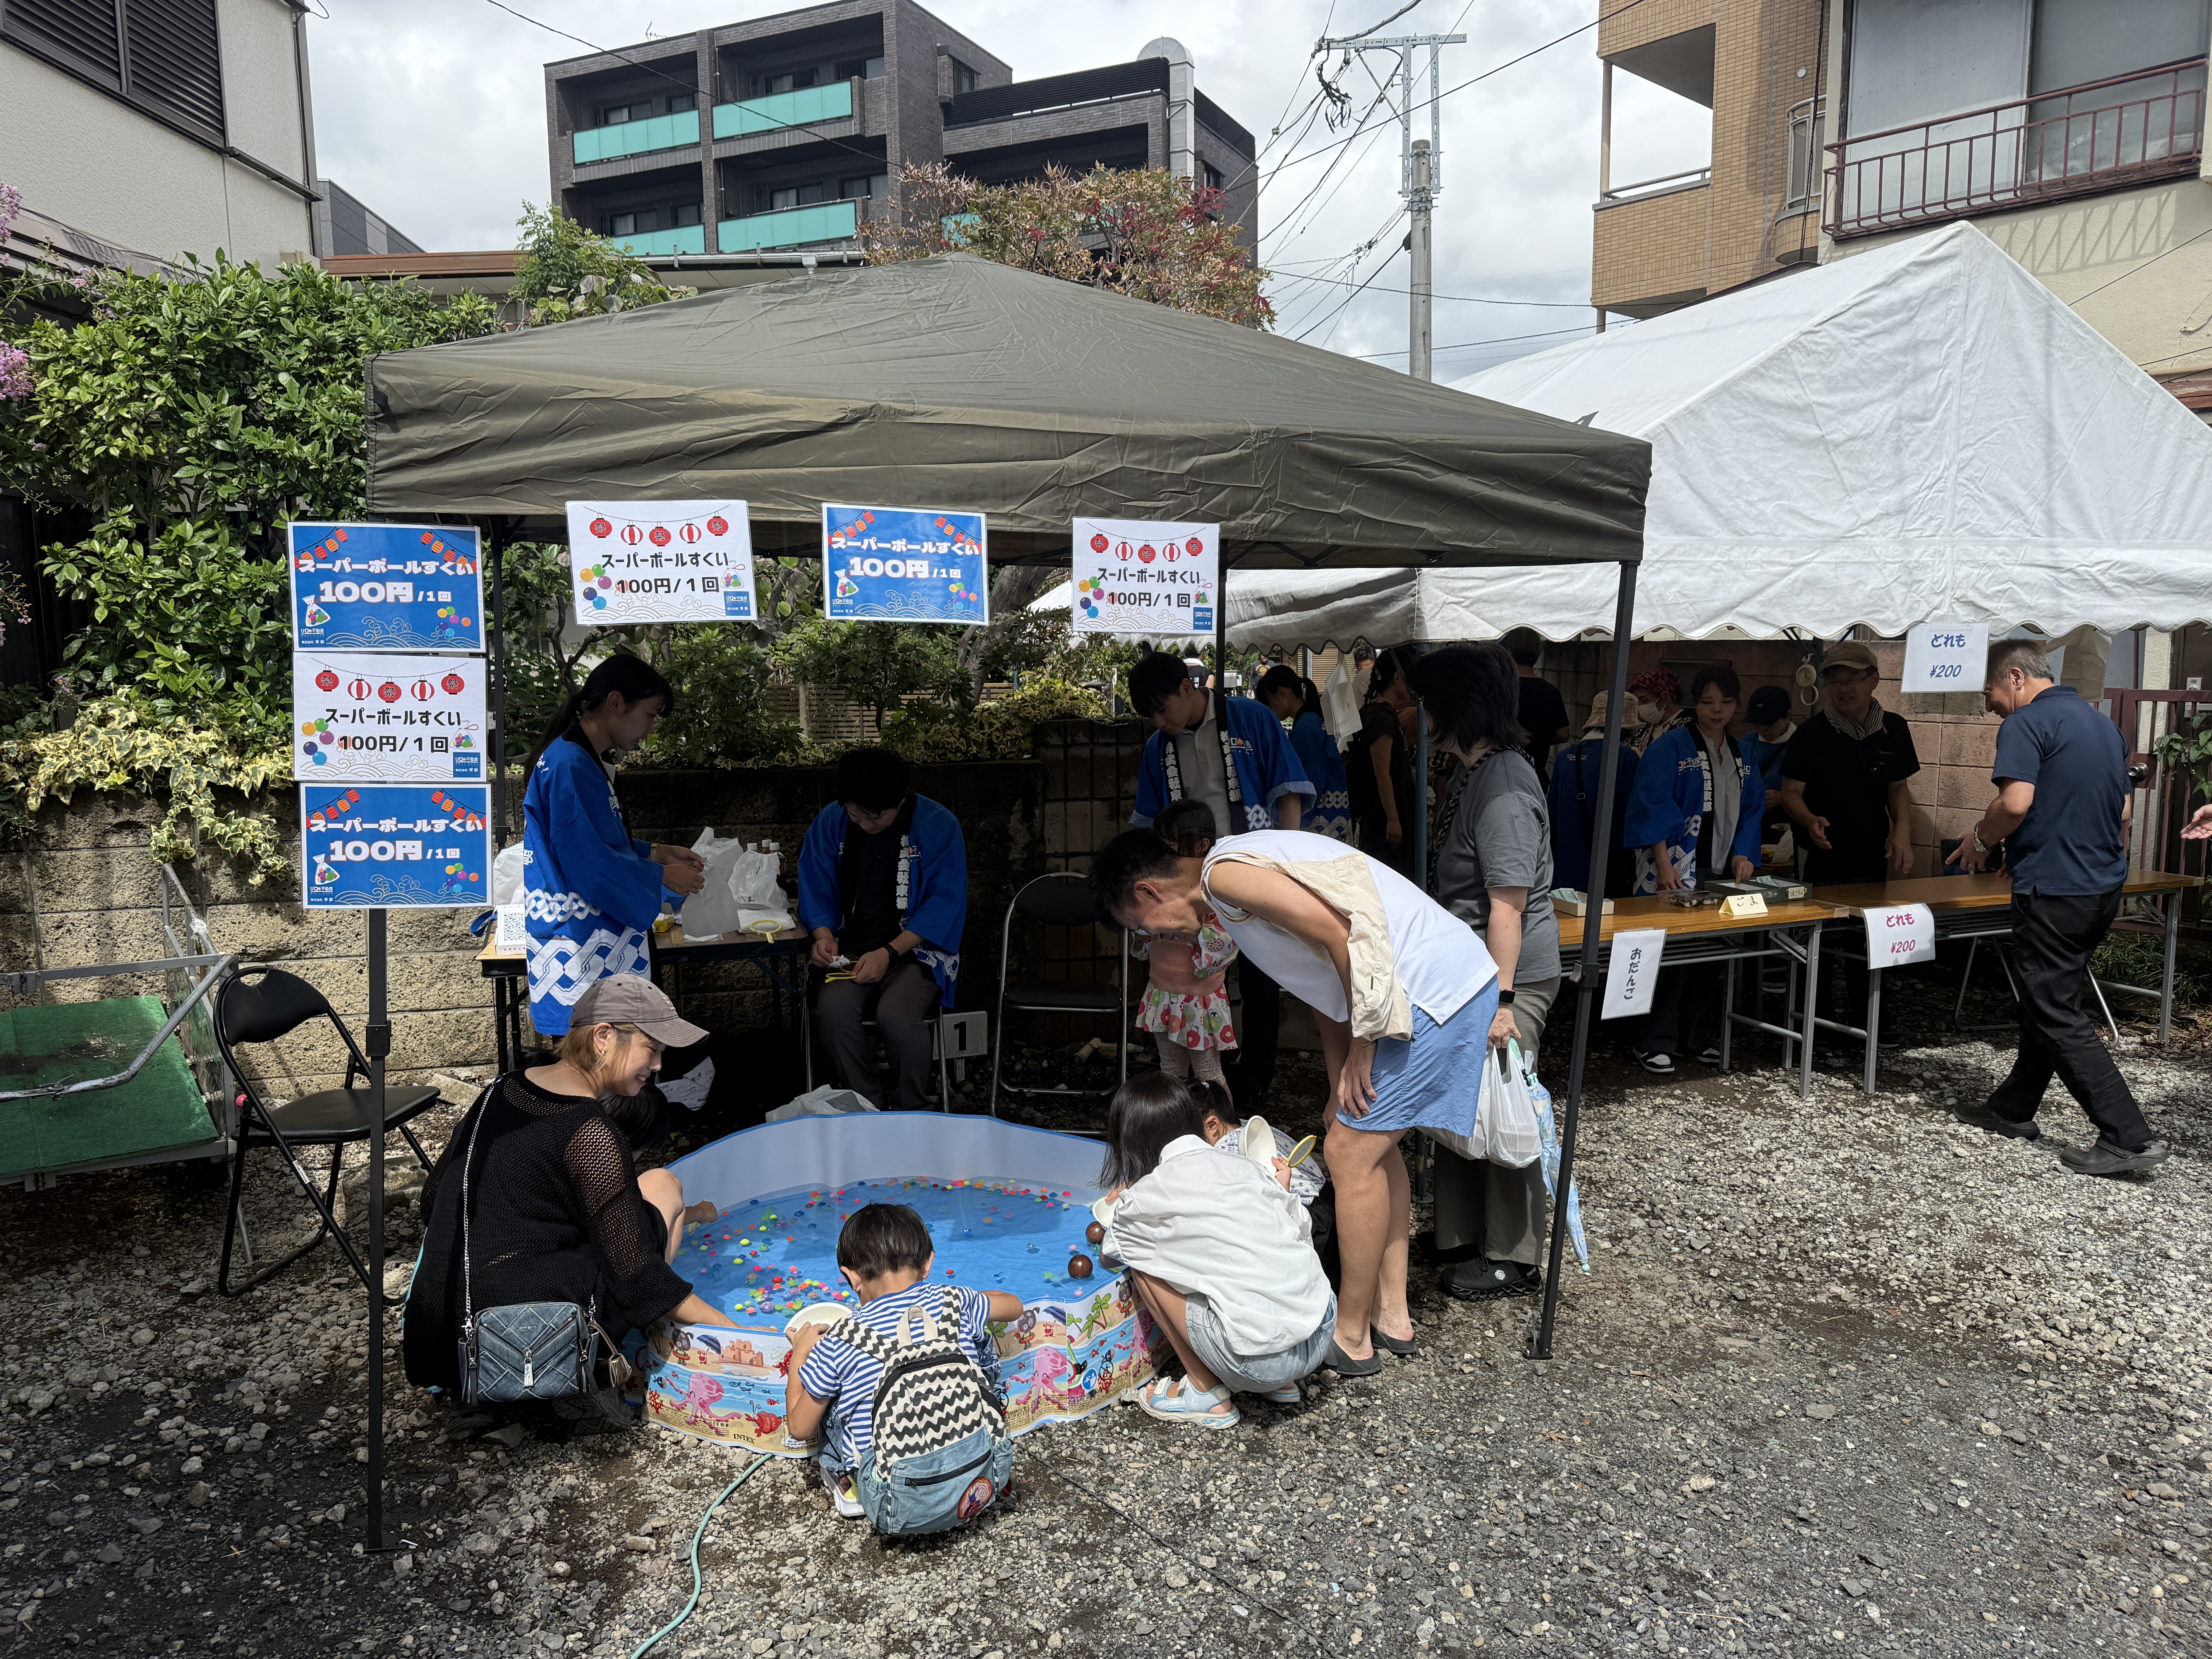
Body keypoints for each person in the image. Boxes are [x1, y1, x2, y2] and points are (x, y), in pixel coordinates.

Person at [1089, 823, 1500, 1377]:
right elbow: (1326, 985)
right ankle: (1391, 1314)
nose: (1152, 937)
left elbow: (1343, 932)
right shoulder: (1230, 887)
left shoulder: (1226, 875)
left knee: (1349, 1154)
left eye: (1141, 928)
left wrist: (1366, 1040)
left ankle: (1351, 1337)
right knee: (1369, 1145)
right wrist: (1340, 1082)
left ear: (1148, 891)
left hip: (1426, 989)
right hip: (1432, 982)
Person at [403, 977, 736, 1406]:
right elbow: (642, 1282)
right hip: (540, 1347)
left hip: (444, 1338)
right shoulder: (591, 1132)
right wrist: (738, 1333)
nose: (657, 1067)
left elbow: (433, 1202)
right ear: (603, 1038)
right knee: (661, 1185)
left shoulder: (497, 1092)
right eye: (652, 1050)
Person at [1949, 641, 2167, 1176]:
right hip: (2101, 887)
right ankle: (2013, 1107)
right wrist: (2038, 844)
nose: (1989, 706)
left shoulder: (2025, 725)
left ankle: (2129, 1137)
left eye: (1991, 693)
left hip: (2055, 891)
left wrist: (1980, 837)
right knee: (2050, 997)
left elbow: (2016, 803)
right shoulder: (2101, 726)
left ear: (2016, 678)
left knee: (2053, 1008)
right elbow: (2120, 807)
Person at [1406, 643, 1559, 1300]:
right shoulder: (1477, 769)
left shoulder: (1502, 786)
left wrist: (1502, 1001)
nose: (1420, 715)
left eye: (1428, 704)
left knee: (1505, 1100)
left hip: (1507, 972)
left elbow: (1507, 903)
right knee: (1462, 1101)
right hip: (1471, 971)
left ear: (1455, 708)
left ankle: (1514, 1254)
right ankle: (1461, 1233)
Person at [1128, 650, 1312, 1114]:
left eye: (1162, 708)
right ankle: (1204, 1082)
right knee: (1196, 982)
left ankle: (1255, 1081)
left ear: (1188, 688)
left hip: (1255, 870)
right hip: (1190, 883)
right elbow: (1149, 823)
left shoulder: (1251, 719)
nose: (1158, 721)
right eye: (1149, 715)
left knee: (1261, 979)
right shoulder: (1158, 747)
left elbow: (1288, 791)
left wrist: (1289, 862)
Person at [1099, 1073, 1336, 1429]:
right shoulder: (1247, 1166)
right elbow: (1297, 1225)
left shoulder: (1147, 1195)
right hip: (1320, 1331)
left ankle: (1204, 1393)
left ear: (1132, 1144)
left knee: (1143, 1265)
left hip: (1258, 1364)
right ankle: (1282, 1386)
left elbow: (1111, 1252)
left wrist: (1121, 1208)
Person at [783, 1203, 1022, 1522]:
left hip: (891, 1500)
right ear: (928, 1264)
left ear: (851, 1276)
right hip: (980, 1472)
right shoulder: (956, 1301)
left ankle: (849, 1486)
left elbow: (799, 1429)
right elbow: (1014, 1306)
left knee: (827, 1392)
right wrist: (964, 1296)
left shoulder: (840, 1338)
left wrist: (801, 1353)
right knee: (980, 1346)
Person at [520, 655, 706, 1038]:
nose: (651, 729)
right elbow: (589, 862)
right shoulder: (570, 763)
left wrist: (654, 852)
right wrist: (661, 876)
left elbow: (596, 841)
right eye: (651, 715)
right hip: (581, 945)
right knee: (603, 1076)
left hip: (586, 941)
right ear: (616, 703)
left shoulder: (577, 758)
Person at [798, 748, 967, 1111]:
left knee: (899, 1017)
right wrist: (823, 936)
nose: (865, 824)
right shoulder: (831, 822)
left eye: (875, 817)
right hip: (849, 954)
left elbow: (945, 901)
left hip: (912, 955)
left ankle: (912, 1109)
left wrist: (889, 953)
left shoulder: (938, 825)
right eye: (855, 814)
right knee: (833, 1013)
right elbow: (814, 886)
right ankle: (865, 1108)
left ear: (901, 799)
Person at [1623, 664, 1762, 1073]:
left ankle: (1696, 1038)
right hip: (1675, 866)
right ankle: (1654, 1039)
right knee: (1666, 956)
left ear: (1737, 705)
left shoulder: (1744, 753)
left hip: (1719, 869)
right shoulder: (1671, 746)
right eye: (1707, 702)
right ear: (1694, 704)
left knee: (1709, 958)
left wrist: (1744, 852)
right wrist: (1663, 862)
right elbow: (1651, 801)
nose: (1717, 710)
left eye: (1726, 702)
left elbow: (1752, 810)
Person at [1780, 642, 1921, 1037]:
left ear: (1874, 680)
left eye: (1852, 680)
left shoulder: (1894, 728)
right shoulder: (1812, 734)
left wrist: (1902, 832)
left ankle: (1873, 1021)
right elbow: (1790, 792)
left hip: (1872, 847)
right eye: (1835, 682)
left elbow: (1898, 788)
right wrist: (1809, 820)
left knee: (1870, 936)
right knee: (1820, 938)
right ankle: (1817, 1025)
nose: (1843, 690)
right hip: (1822, 850)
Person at [1133, 799, 1240, 1097]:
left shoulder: (1215, 886)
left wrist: (1189, 929)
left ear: (1202, 844)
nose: (1166, 854)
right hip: (1163, 991)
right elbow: (1145, 937)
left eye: (1172, 845)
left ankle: (1225, 1133)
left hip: (1200, 999)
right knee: (1170, 1071)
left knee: (1208, 1074)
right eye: (1162, 846)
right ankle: (1175, 1128)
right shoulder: (1160, 882)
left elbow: (1226, 941)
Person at [1547, 691, 1641, 900]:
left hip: (1565, 869)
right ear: (1627, 729)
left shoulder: (1565, 758)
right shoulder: (1626, 759)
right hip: (1609, 871)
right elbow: (1633, 817)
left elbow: (1551, 814)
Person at [1347, 647, 1420, 878]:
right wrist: (1394, 819)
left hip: (1390, 808)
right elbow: (1382, 773)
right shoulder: (1380, 717)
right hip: (1384, 813)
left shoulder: (1382, 712)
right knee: (1393, 876)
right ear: (1397, 678)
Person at [1258, 665, 1352, 842]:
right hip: (1336, 816)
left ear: (1281, 693)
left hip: (1321, 820)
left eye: (1268, 702)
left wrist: (1297, 821)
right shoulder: (1313, 720)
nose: (1268, 710)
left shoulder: (1305, 727)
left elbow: (1310, 780)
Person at [1502, 627, 1571, 786]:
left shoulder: (1500, 689)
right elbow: (1563, 735)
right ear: (1537, 653)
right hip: (1536, 778)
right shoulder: (1551, 692)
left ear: (1509, 651)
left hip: (1502, 776)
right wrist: (1539, 739)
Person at [1739, 684, 1798, 845]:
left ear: (1788, 716)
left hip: (1785, 830)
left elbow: (1818, 793)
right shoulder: (1748, 742)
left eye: (1769, 723)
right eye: (1757, 723)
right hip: (1750, 826)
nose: (1762, 729)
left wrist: (1784, 799)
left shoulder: (1803, 744)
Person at [1625, 668, 1686, 754]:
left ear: (1665, 697)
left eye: (1645, 701)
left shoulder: (1686, 728)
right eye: (1638, 702)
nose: (1640, 707)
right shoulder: (1648, 727)